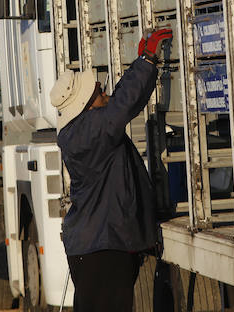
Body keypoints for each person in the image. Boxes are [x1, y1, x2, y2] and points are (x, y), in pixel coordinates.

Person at [52, 28, 172, 312]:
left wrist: (141, 64)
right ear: (85, 103)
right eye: (97, 90)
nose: (103, 90)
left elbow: (118, 99)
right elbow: (122, 105)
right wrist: (146, 61)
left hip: (95, 245)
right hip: (102, 247)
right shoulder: (90, 131)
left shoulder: (81, 129)